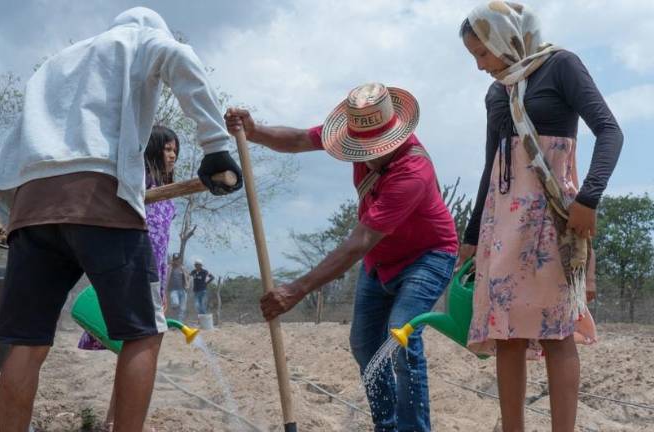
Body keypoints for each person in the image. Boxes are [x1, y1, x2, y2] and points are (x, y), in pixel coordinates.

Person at [0, 8, 242, 432]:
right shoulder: (139, 41)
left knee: (26, 343)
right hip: (100, 198)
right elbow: (180, 58)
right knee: (142, 333)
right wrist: (215, 146)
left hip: (32, 205)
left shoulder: (58, 61)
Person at [225, 82, 459, 432]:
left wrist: (297, 289)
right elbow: (300, 139)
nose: (361, 153)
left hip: (428, 255)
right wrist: (256, 132)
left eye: (370, 148)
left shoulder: (412, 172)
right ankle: (387, 425)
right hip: (380, 261)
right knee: (365, 343)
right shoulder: (353, 136)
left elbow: (359, 240)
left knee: (400, 337)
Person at [457, 3, 623, 431]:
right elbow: (491, 165)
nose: (480, 66)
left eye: (482, 53)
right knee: (506, 335)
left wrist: (590, 198)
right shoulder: (497, 92)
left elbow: (610, 130)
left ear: (504, 38)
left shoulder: (561, 66)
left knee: (556, 332)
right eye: (474, 57)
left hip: (553, 222)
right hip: (501, 228)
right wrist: (472, 234)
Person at [76, 125, 181, 429]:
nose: (172, 155)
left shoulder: (168, 192)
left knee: (137, 350)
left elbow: (163, 245)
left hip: (153, 275)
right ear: (151, 150)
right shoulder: (137, 183)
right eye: (166, 148)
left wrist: (161, 284)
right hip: (131, 269)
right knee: (138, 346)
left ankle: (115, 421)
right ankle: (116, 422)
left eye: (175, 150)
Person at [167, 253, 191, 322]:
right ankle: (174, 319)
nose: (176, 261)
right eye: (175, 259)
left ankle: (179, 324)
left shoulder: (183, 268)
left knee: (182, 309)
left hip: (183, 290)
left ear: (179, 260)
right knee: (175, 303)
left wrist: (187, 285)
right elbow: (165, 276)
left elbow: (188, 277)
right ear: (173, 260)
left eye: (177, 259)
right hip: (173, 290)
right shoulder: (169, 268)